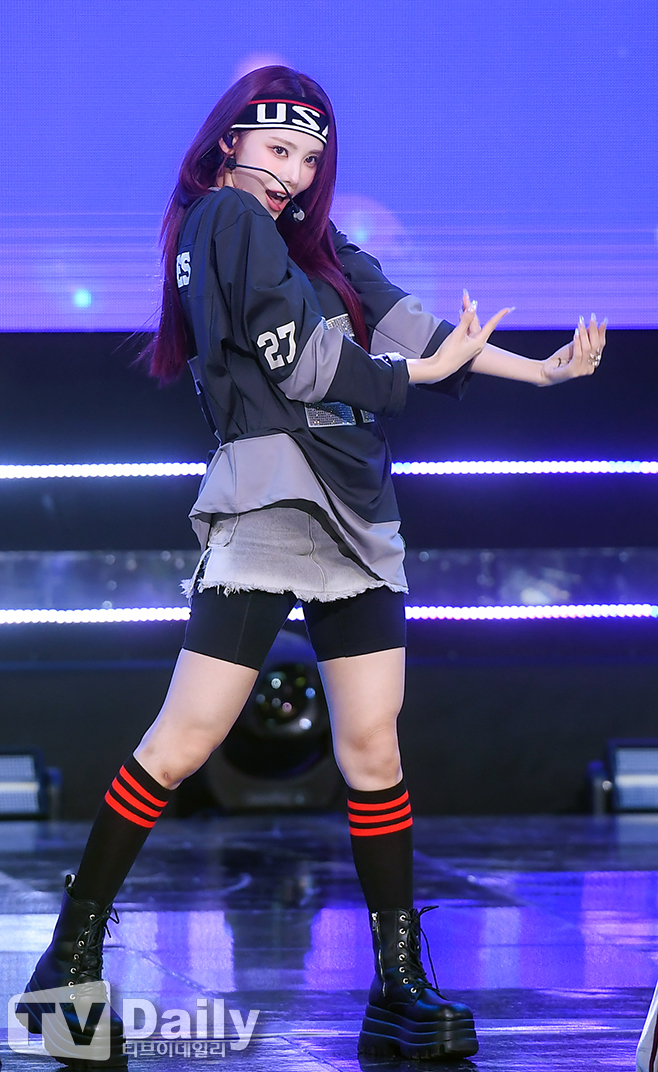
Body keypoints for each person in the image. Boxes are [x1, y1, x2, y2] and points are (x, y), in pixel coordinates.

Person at [19, 65, 607, 1065]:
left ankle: (398, 983)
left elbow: (423, 332)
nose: (292, 173)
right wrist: (413, 376)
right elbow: (303, 367)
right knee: (183, 740)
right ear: (230, 142)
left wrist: (542, 370)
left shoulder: (314, 245)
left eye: (307, 158)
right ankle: (65, 967)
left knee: (373, 751)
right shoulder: (225, 219)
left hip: (356, 506)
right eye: (278, 149)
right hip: (271, 500)